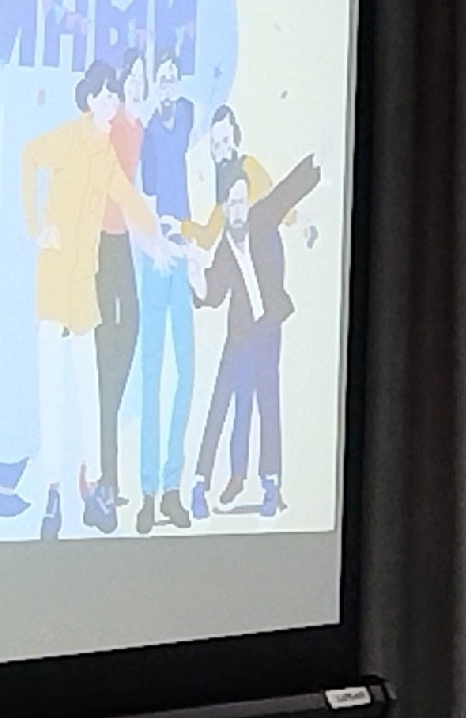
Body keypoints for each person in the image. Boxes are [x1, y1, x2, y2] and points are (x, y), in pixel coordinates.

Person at [21, 61, 171, 539]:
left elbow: (128, 197)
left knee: (89, 389)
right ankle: (52, 493)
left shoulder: (104, 156)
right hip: (54, 284)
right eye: (106, 95)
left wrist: (159, 240)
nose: (113, 103)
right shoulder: (68, 139)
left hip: (83, 287)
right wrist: (36, 226)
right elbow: (29, 156)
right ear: (90, 100)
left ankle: (95, 491)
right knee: (52, 389)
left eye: (115, 96)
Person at [192, 152, 324, 518]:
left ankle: (270, 483)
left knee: (268, 400)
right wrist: (195, 277)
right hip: (239, 334)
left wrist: (318, 161)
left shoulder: (262, 217)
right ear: (223, 208)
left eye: (242, 200)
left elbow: (288, 191)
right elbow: (212, 295)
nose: (238, 209)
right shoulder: (222, 250)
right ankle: (200, 483)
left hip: (267, 327)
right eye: (232, 203)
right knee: (220, 402)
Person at [131, 49, 197, 531]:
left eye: (174, 77)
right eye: (163, 79)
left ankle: (173, 487)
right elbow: (148, 186)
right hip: (156, 252)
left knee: (186, 368)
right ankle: (149, 493)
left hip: (184, 247)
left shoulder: (187, 115)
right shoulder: (148, 131)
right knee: (151, 373)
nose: (169, 85)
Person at [89, 46, 150, 529]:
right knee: (106, 342)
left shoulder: (138, 128)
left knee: (129, 330)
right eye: (130, 78)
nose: (133, 86)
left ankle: (106, 472)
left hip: (121, 239)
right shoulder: (110, 129)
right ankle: (103, 479)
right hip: (100, 241)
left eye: (137, 80)